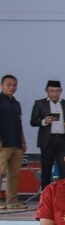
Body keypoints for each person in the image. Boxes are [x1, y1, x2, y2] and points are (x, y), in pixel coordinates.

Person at [30, 80, 65, 189]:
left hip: (63, 140)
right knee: (46, 169)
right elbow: (33, 121)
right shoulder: (40, 103)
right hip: (48, 140)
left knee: (64, 169)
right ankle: (45, 194)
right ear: (46, 91)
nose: (54, 93)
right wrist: (44, 121)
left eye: (57, 91)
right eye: (51, 91)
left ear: (61, 91)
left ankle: (64, 193)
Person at [0, 74, 28, 210]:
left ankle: (12, 201)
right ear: (2, 86)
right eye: (8, 85)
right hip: (3, 143)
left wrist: (23, 141)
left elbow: (19, 123)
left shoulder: (16, 103)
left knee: (14, 174)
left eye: (14, 85)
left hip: (16, 143)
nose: (11, 87)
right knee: (0, 172)